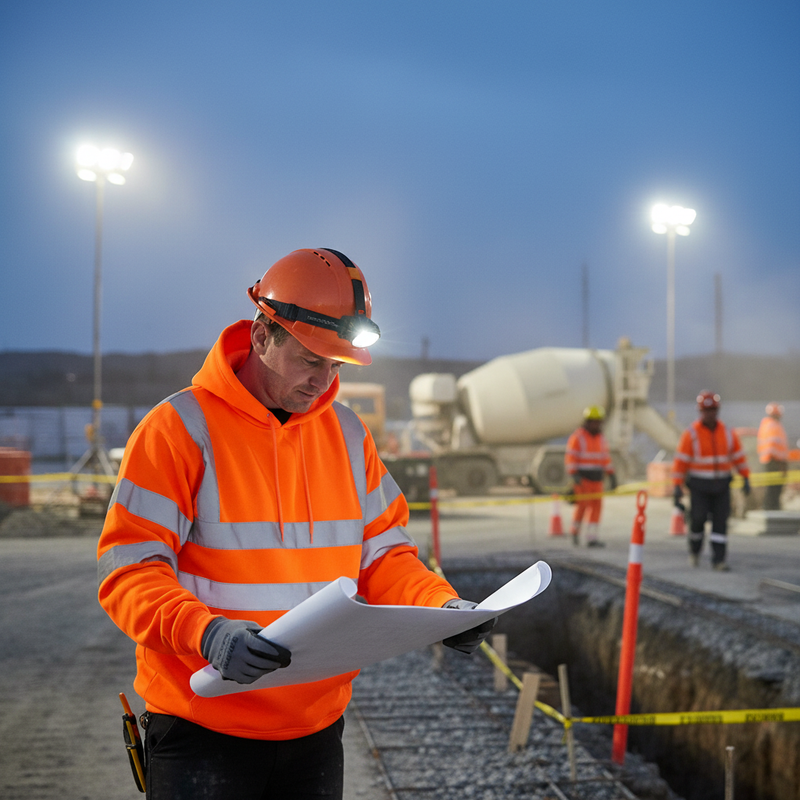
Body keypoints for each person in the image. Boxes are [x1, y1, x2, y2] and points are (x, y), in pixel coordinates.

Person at [97, 248, 496, 800]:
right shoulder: (178, 430)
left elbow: (386, 557)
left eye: (336, 366)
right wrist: (206, 634)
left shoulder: (348, 436)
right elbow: (129, 571)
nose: (323, 381)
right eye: (311, 360)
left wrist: (441, 608)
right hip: (201, 727)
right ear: (262, 336)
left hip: (315, 731)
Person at [672, 390, 750, 571]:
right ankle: (695, 551)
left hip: (721, 485)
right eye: (706, 410)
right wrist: (677, 486)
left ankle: (719, 560)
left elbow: (738, 457)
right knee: (698, 520)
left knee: (720, 524)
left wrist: (745, 476)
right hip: (699, 486)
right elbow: (681, 462)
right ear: (700, 411)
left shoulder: (727, 433)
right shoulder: (691, 434)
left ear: (717, 410)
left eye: (712, 410)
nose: (709, 414)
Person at [565, 405, 617, 547]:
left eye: (598, 421)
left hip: (597, 480)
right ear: (587, 422)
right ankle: (575, 532)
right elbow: (571, 457)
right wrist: (573, 474)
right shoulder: (578, 437)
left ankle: (591, 538)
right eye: (594, 421)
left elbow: (605, 458)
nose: (596, 424)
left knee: (596, 508)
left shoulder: (601, 439)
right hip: (583, 480)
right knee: (582, 506)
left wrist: (611, 474)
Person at [757, 402, 789, 510]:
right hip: (774, 461)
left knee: (773, 486)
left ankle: (771, 507)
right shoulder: (773, 426)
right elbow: (773, 446)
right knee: (774, 486)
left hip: (771, 460)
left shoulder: (768, 424)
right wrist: (781, 462)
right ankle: (771, 507)